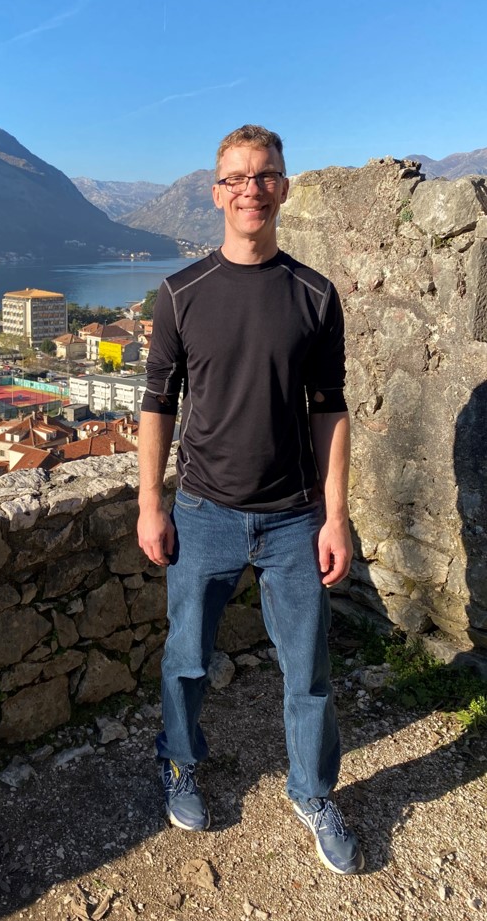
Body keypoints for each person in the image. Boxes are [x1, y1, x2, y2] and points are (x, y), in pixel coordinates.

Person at [137, 124, 363, 875]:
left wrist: (336, 515)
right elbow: (156, 408)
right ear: (216, 192)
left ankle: (312, 790)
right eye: (236, 178)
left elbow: (330, 410)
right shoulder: (180, 294)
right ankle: (179, 762)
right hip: (203, 511)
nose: (251, 189)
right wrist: (149, 503)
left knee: (308, 670)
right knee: (186, 657)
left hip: (296, 514)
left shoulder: (315, 295)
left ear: (284, 187)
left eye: (264, 175)